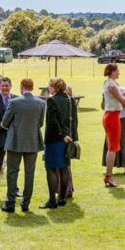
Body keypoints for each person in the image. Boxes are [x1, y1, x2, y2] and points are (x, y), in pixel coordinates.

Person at [0, 78, 46, 213]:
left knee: (12, 172)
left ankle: (10, 202)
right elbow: (40, 123)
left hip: (15, 142)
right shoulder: (41, 103)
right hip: (32, 141)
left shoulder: (14, 102)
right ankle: (25, 203)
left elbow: (4, 123)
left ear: (22, 87)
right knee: (29, 173)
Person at [42, 77, 77, 208]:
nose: (49, 88)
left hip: (54, 139)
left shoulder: (51, 100)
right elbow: (74, 120)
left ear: (55, 87)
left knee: (51, 168)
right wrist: (71, 137)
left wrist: (62, 135)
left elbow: (52, 122)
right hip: (68, 139)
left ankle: (52, 200)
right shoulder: (70, 99)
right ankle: (62, 197)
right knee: (64, 168)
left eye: (50, 86)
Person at [100, 63, 125, 188]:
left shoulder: (108, 83)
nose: (119, 72)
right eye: (117, 70)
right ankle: (109, 176)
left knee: (112, 147)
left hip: (110, 115)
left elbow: (117, 98)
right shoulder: (112, 85)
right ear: (112, 71)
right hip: (112, 117)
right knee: (112, 148)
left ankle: (109, 175)